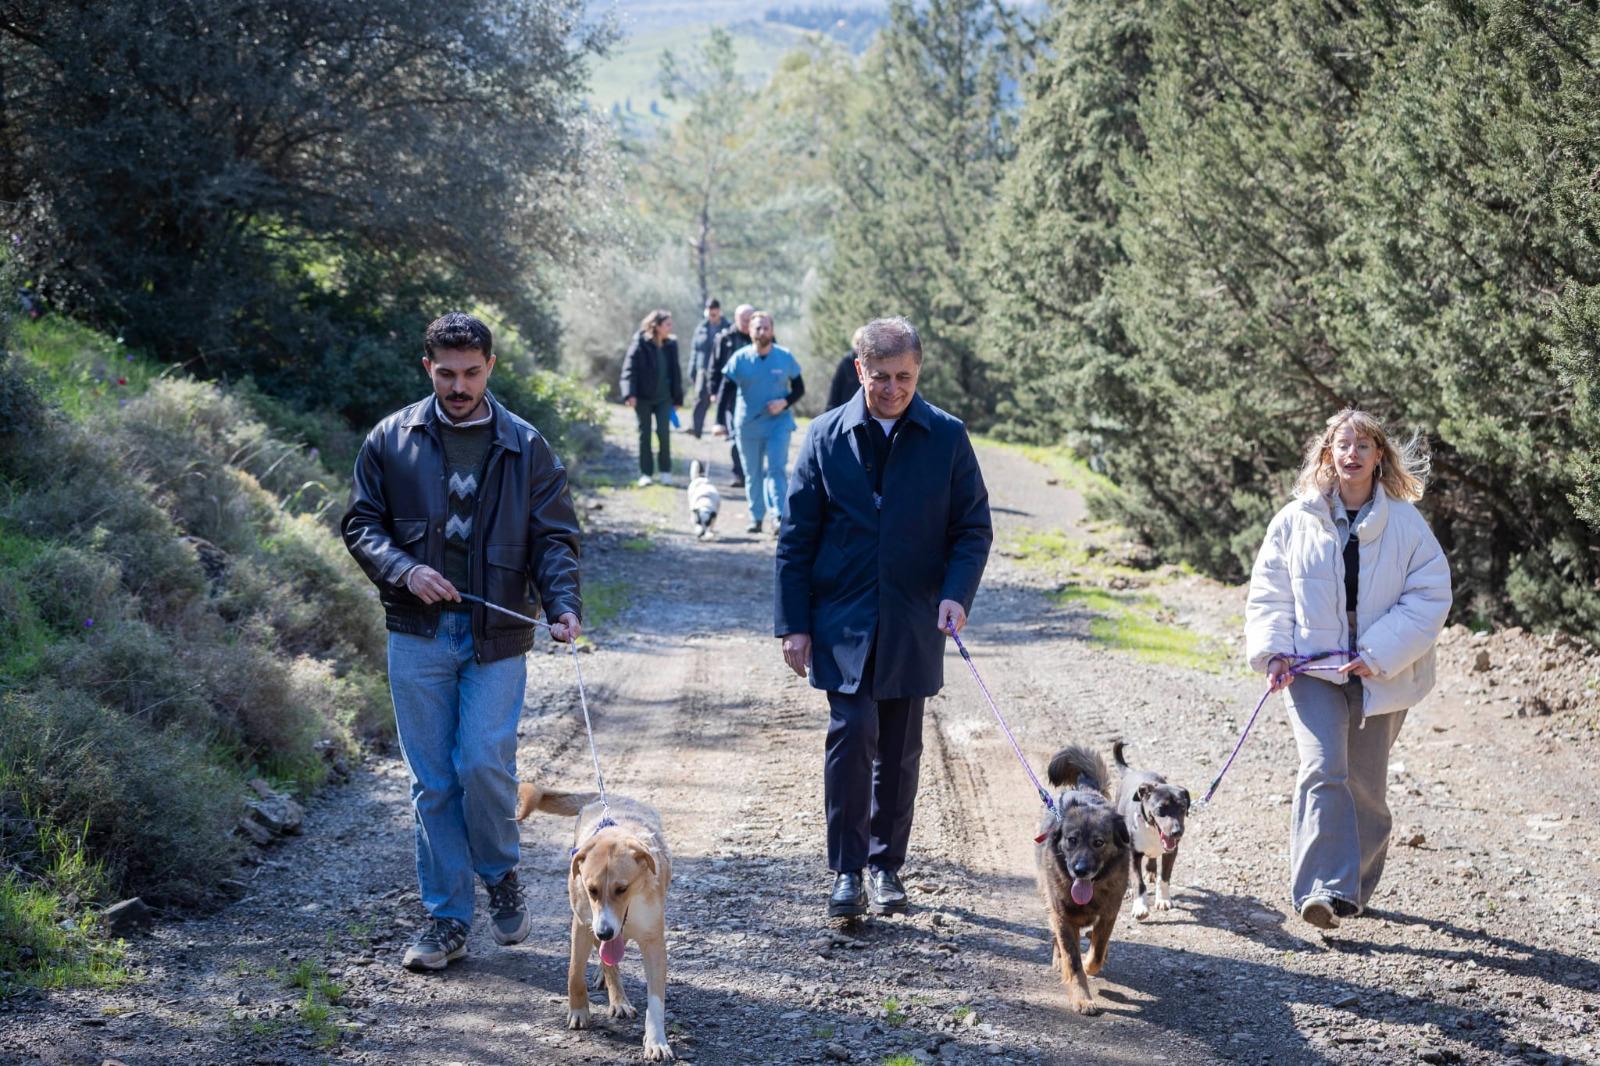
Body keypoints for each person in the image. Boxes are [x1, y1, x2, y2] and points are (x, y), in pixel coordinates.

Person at [342, 312, 583, 971]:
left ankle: (500, 870)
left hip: (498, 631)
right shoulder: (391, 440)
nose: (458, 386)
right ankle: (446, 918)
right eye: (445, 374)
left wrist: (562, 605)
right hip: (416, 634)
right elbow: (362, 526)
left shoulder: (527, 446)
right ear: (428, 368)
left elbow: (554, 539)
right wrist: (405, 569)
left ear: (490, 367)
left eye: (471, 373)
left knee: (482, 763)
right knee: (433, 783)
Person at [775, 316, 992, 918]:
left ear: (918, 371)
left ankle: (885, 868)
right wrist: (794, 624)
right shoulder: (823, 436)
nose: (893, 388)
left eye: (904, 376)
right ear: (858, 369)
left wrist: (956, 593)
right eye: (880, 377)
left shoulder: (947, 437)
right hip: (840, 618)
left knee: (899, 749)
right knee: (852, 735)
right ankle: (845, 872)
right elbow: (795, 538)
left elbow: (972, 527)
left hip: (913, 618)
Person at [1245, 408, 1451, 931]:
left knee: (1364, 786)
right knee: (1322, 769)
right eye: (1343, 445)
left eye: (1363, 446)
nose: (1352, 455)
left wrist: (1377, 652)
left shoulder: (1406, 523)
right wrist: (1273, 652)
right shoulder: (1295, 520)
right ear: (1327, 454)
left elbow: (1430, 596)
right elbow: (1271, 591)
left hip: (1381, 669)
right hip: (1311, 669)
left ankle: (1352, 889)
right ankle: (1321, 890)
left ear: (1379, 455)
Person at [718, 310, 804, 535]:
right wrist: (719, 422)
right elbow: (725, 390)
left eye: (766, 327)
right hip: (747, 425)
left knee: (776, 469)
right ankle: (756, 517)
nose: (762, 331)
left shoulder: (785, 357)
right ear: (749, 330)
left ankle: (778, 517)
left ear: (772, 330)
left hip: (778, 424)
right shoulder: (740, 358)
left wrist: (784, 402)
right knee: (752, 473)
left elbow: (799, 388)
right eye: (758, 327)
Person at [620, 309, 684, 487]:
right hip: (642, 398)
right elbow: (629, 369)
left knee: (664, 433)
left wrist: (678, 398)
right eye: (668, 324)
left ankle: (665, 472)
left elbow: (676, 372)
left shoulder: (671, 344)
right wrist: (629, 394)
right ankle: (646, 473)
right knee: (644, 434)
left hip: (664, 398)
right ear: (656, 326)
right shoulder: (640, 342)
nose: (671, 327)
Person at [707, 303, 754, 488]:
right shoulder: (725, 338)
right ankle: (739, 473)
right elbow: (714, 366)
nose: (746, 323)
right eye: (743, 319)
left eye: (749, 319)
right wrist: (713, 391)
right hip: (729, 396)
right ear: (735, 319)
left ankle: (750, 471)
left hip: (753, 396)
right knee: (735, 436)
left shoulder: (762, 337)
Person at [688, 298, 724, 437]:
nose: (711, 316)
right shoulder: (701, 328)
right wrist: (693, 370)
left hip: (721, 370)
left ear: (719, 312)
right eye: (709, 313)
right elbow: (694, 350)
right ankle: (696, 429)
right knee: (700, 399)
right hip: (703, 369)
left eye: (714, 314)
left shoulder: (726, 327)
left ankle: (723, 427)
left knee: (722, 399)